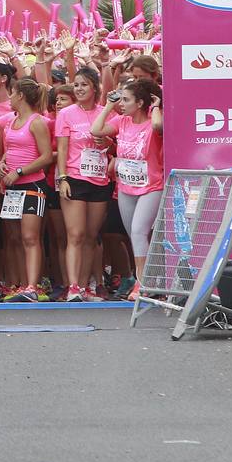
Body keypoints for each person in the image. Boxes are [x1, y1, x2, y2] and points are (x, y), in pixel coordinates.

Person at [91, 78, 163, 301]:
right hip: (126, 186)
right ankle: (153, 279)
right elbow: (96, 130)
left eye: (126, 99)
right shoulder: (122, 121)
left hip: (151, 185)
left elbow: (158, 127)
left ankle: (143, 284)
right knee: (136, 234)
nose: (121, 103)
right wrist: (110, 106)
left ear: (140, 102)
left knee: (140, 231)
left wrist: (157, 106)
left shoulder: (154, 120)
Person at [55, 68, 113, 302]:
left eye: (84, 85)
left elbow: (115, 143)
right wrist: (63, 178)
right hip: (75, 178)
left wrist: (108, 140)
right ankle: (73, 287)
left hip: (99, 179)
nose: (78, 89)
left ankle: (87, 285)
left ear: (95, 88)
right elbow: (61, 148)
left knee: (91, 235)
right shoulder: (66, 114)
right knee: (75, 234)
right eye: (76, 84)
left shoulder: (105, 112)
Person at [0, 79, 54, 302]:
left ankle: (32, 285)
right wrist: (2, 163)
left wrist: (19, 171)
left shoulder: (36, 122)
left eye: (12, 94)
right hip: (12, 186)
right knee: (15, 237)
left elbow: (46, 156)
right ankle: (20, 284)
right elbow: (7, 149)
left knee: (30, 236)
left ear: (20, 96)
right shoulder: (10, 121)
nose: (9, 98)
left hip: (32, 184)